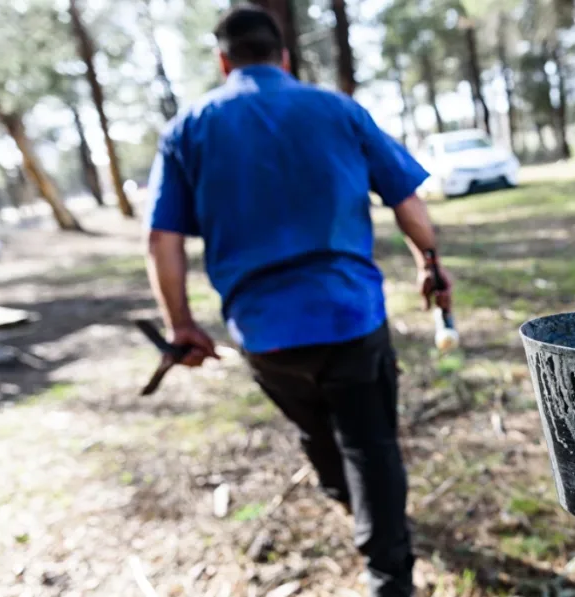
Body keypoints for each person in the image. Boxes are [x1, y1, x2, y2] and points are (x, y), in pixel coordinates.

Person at [143, 5, 452, 596]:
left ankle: (343, 496)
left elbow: (162, 238)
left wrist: (181, 325)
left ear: (223, 61)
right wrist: (429, 264)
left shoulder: (188, 128)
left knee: (317, 431)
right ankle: (389, 577)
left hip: (264, 334)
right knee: (371, 447)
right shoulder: (336, 108)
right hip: (350, 317)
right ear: (283, 55)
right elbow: (407, 201)